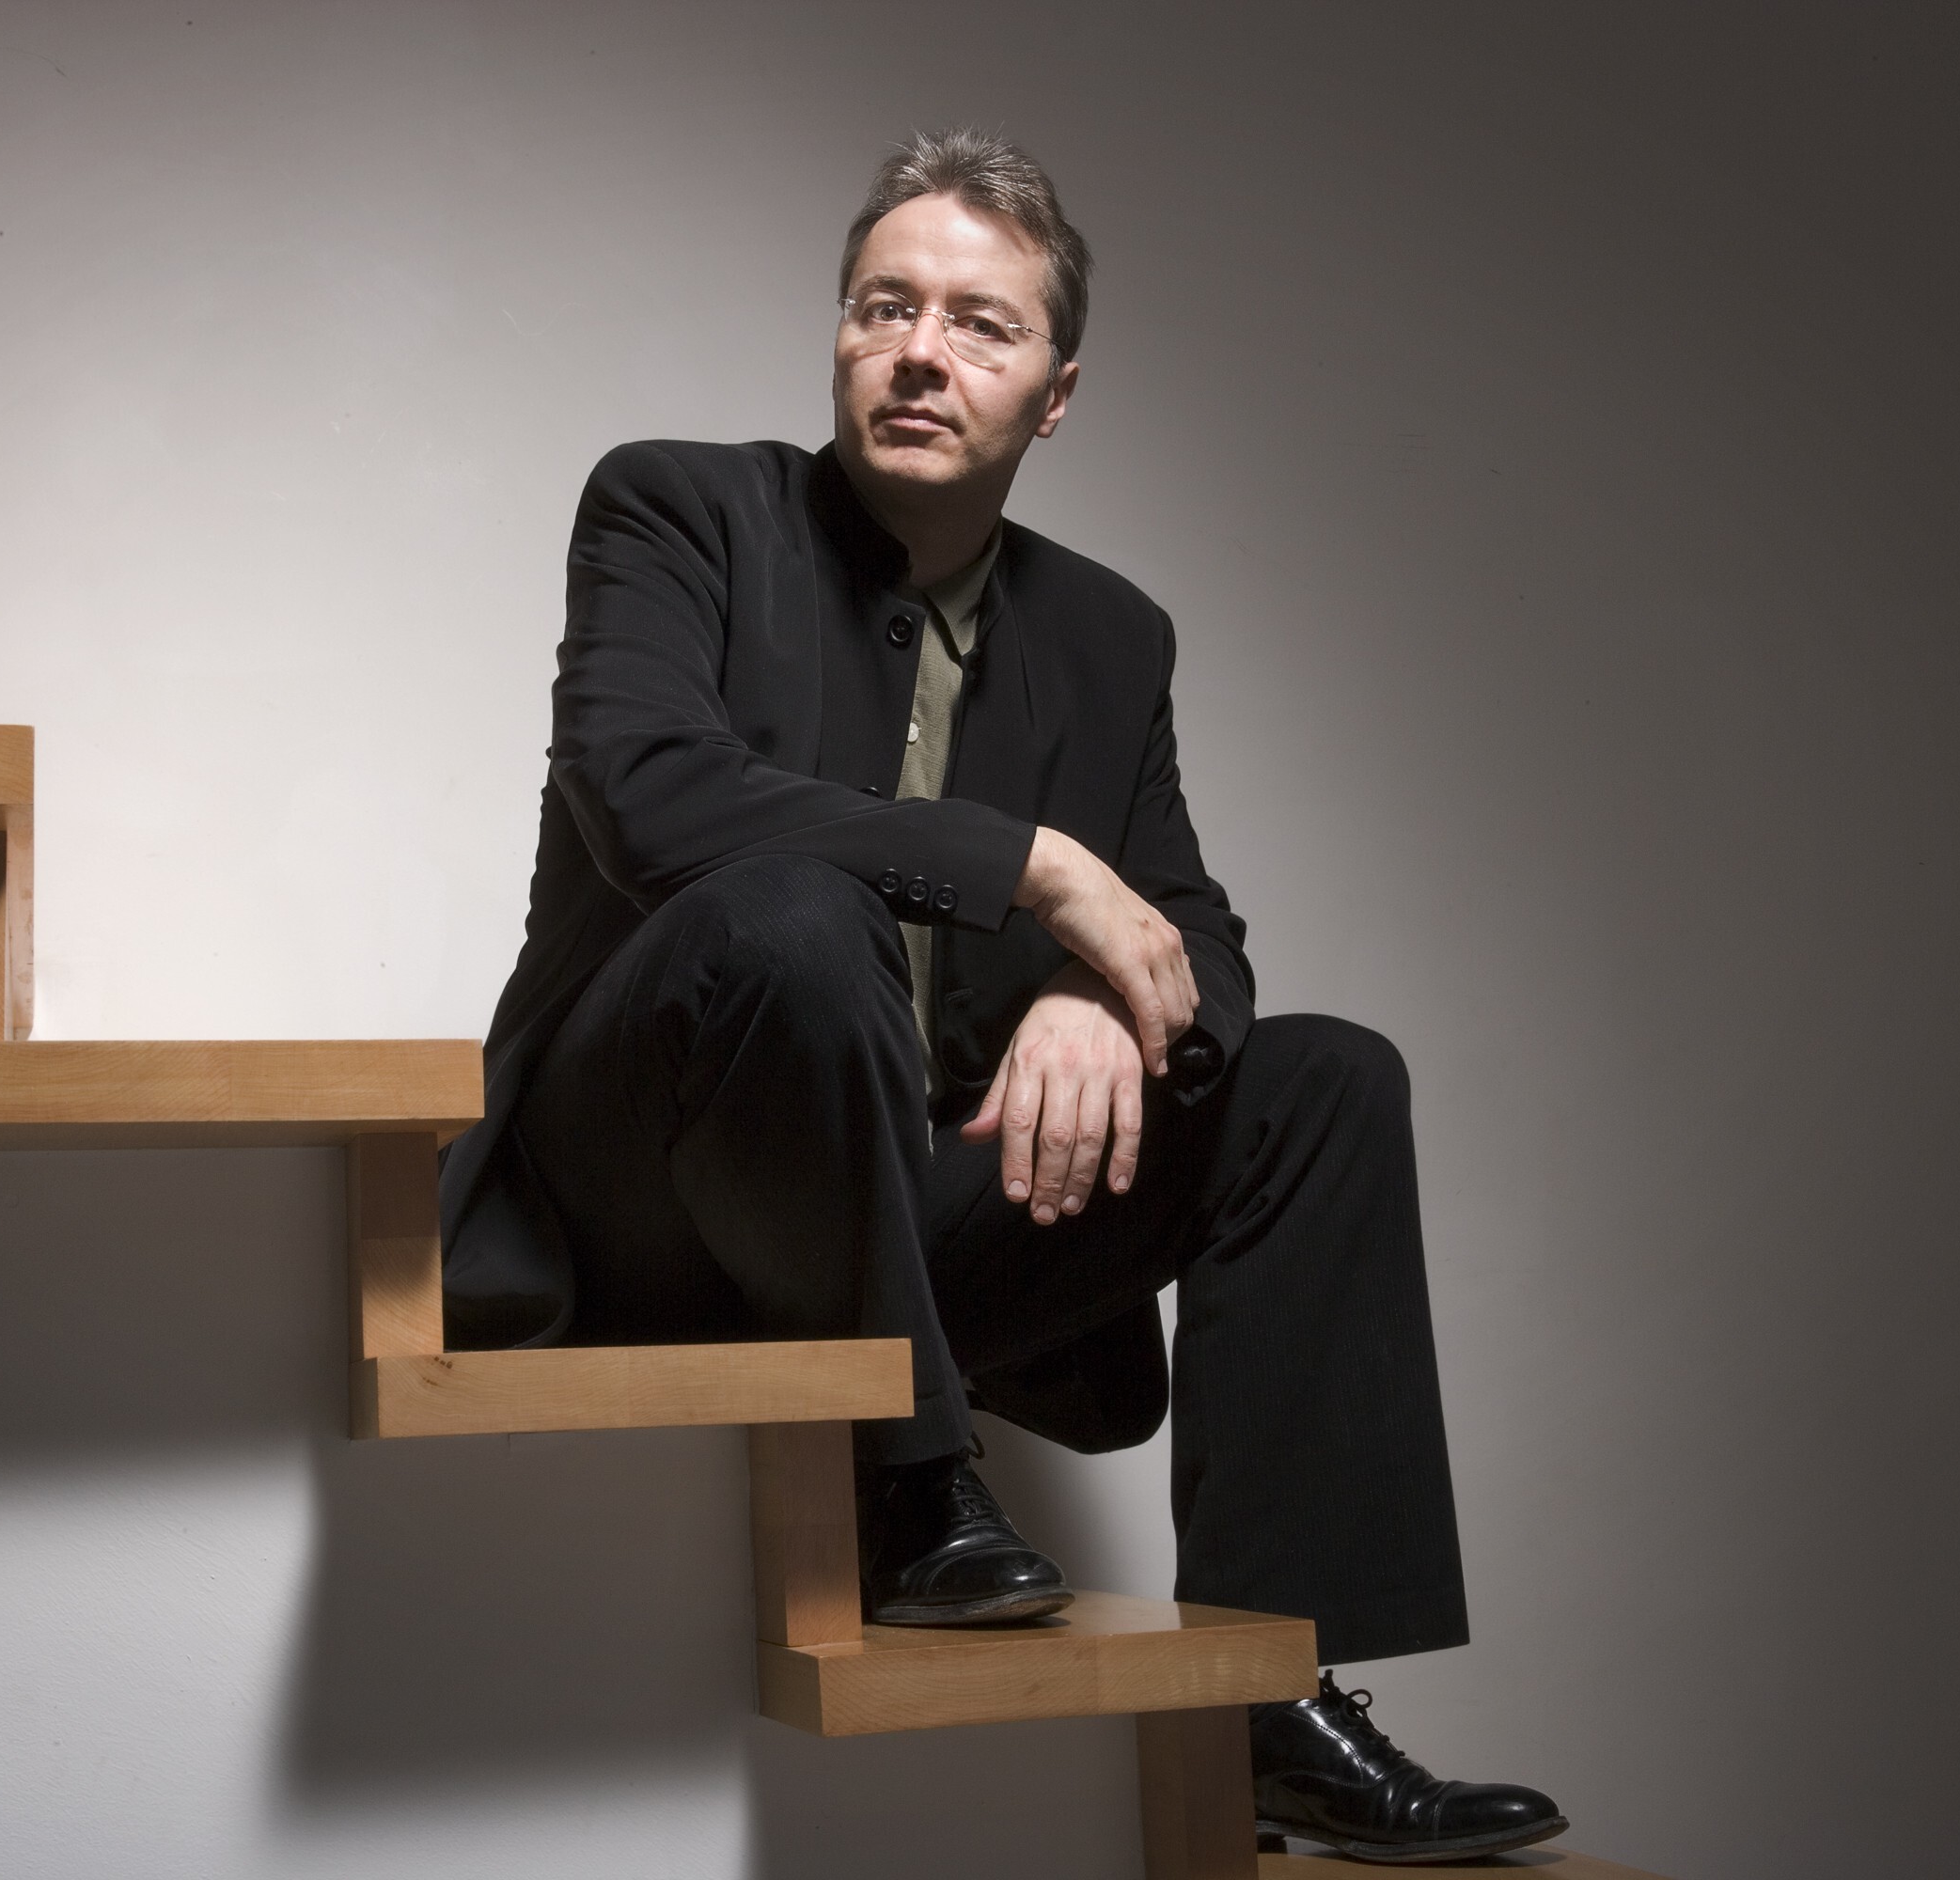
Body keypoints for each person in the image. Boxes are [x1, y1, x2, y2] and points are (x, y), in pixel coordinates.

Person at [438, 127, 1565, 1865]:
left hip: (901, 1218)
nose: (920, 350)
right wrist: (1037, 872)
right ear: (836, 339)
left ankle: (1272, 1695)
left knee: (1326, 1080)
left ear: (1055, 396)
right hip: (642, 1194)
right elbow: (651, 792)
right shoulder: (675, 505)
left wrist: (1101, 1004)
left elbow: (1196, 934)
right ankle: (905, 1487)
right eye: (887, 306)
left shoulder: (1111, 636)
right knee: (791, 915)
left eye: (981, 324)